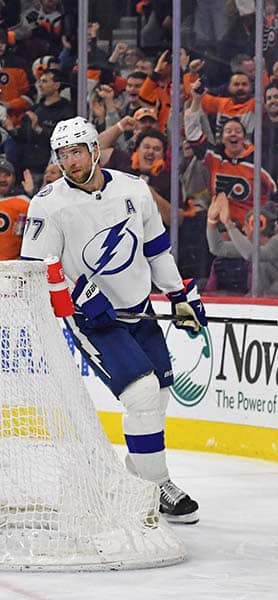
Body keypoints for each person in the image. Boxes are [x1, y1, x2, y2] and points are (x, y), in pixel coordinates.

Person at [19, 116, 206, 525]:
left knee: (159, 397)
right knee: (140, 393)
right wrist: (79, 297)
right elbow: (38, 267)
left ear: (95, 150)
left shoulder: (133, 190)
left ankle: (137, 479)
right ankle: (161, 488)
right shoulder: (49, 203)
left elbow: (156, 251)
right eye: (63, 154)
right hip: (94, 322)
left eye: (76, 152)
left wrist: (178, 294)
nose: (70, 161)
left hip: (139, 311)